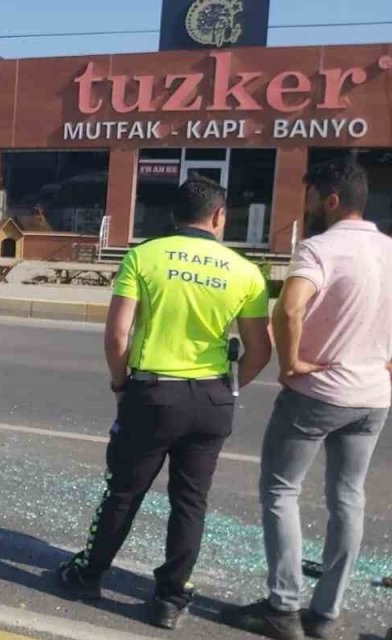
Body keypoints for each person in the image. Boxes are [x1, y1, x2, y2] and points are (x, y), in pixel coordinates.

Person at [56, 175, 272, 629]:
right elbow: (260, 350)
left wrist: (121, 385)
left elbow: (117, 335)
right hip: (211, 398)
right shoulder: (246, 270)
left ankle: (90, 574)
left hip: (153, 393)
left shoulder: (143, 256)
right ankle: (169, 599)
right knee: (191, 502)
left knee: (124, 491)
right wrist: (228, 389)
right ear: (218, 216)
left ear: (174, 215)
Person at [223, 159, 392, 640]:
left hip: (318, 393)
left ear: (331, 199)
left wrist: (292, 364)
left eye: (313, 197)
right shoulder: (389, 249)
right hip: (373, 398)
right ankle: (325, 613)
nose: (309, 206)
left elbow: (291, 307)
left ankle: (283, 606)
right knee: (348, 497)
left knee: (281, 490)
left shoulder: (319, 249)